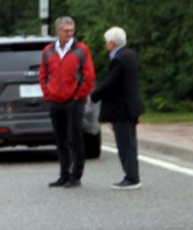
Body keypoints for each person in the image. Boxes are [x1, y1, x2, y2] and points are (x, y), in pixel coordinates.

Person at [39, 16, 96, 188]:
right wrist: (48, 93)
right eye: (66, 31)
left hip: (74, 100)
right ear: (58, 31)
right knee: (60, 139)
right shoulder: (48, 51)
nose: (69, 34)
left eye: (72, 31)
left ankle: (76, 175)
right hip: (55, 100)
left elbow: (89, 76)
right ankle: (64, 174)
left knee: (75, 138)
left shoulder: (81, 49)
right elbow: (42, 75)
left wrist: (80, 95)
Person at [89, 27, 144, 189]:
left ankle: (132, 178)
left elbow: (110, 83)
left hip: (122, 108)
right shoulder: (130, 55)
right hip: (130, 106)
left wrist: (93, 97)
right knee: (129, 144)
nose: (106, 45)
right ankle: (132, 175)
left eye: (107, 42)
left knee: (125, 145)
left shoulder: (119, 59)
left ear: (112, 43)